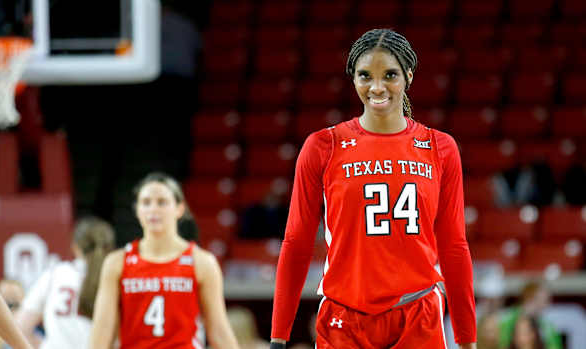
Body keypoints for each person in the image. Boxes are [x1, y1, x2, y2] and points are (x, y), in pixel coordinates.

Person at [270, 28, 476, 349]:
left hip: (418, 313)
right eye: (365, 75)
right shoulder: (323, 146)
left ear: (408, 76)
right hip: (344, 317)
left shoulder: (440, 147)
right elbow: (296, 242)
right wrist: (278, 336)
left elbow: (454, 246)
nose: (377, 87)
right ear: (353, 78)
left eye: (390, 75)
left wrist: (467, 338)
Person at [89, 172, 240, 349]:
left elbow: (218, 331)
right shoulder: (116, 263)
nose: (153, 209)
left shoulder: (202, 262)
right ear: (137, 210)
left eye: (162, 202)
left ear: (179, 208)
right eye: (146, 202)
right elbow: (101, 335)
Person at [13, 216, 115, 349]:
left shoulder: (56, 274)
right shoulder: (116, 278)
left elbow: (20, 327)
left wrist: (43, 345)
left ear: (75, 246)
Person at [499, 280, 561, 349]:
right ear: (530, 298)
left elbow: (555, 346)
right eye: (544, 300)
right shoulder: (506, 320)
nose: (547, 304)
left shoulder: (547, 326)